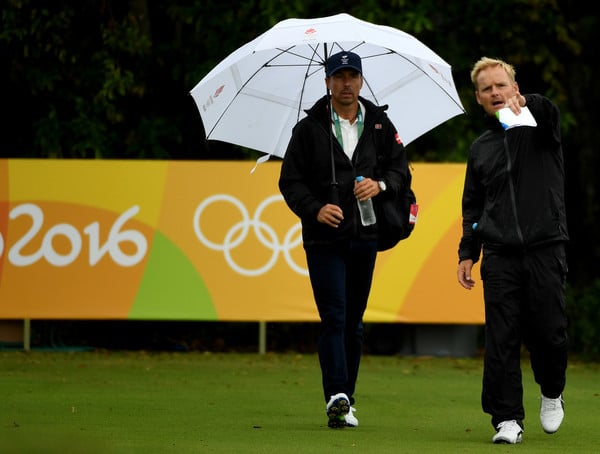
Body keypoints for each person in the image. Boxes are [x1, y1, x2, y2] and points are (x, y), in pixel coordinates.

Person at [278, 51, 408, 428]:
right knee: (334, 317)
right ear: (327, 83)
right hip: (324, 239)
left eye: (352, 76)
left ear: (362, 81)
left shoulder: (381, 124)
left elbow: (401, 172)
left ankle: (345, 401)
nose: (346, 83)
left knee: (354, 322)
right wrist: (316, 208)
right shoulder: (309, 128)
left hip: (366, 236)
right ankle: (336, 393)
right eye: (339, 77)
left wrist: (380, 185)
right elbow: (289, 181)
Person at [457, 57, 569, 444]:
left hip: (545, 247)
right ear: (478, 98)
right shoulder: (480, 148)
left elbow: (549, 111)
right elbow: (473, 205)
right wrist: (467, 251)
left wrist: (530, 103)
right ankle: (507, 419)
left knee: (549, 335)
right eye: (487, 89)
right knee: (501, 338)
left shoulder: (541, 127)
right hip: (500, 253)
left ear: (514, 87)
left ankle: (552, 392)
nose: (495, 93)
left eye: (501, 85)